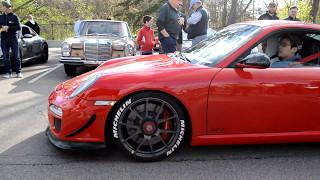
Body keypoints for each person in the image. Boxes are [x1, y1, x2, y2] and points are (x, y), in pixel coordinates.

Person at [0, 1, 22, 78]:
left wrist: (8, 27)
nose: (1, 8)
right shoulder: (0, 17)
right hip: (3, 40)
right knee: (6, 57)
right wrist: (2, 28)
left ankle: (18, 72)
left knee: (16, 56)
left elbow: (18, 27)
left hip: (13, 39)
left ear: (6, 7)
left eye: (2, 6)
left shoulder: (15, 17)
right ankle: (8, 73)